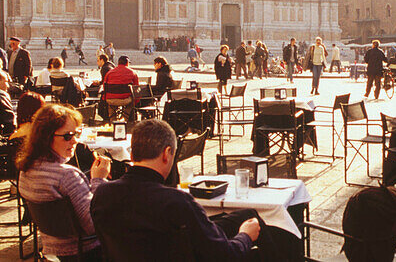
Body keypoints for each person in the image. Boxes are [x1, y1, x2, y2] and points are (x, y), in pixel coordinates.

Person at [90, 119, 259, 260]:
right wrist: (245, 237)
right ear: (167, 153)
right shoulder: (175, 201)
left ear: (132, 155)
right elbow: (224, 255)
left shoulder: (102, 194)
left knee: (245, 215)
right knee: (254, 225)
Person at [17, 103, 111, 262]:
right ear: (46, 137)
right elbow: (93, 225)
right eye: (67, 136)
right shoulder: (67, 175)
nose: (75, 141)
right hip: (85, 252)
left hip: (51, 250)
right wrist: (98, 180)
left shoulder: (26, 170)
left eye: (76, 133)